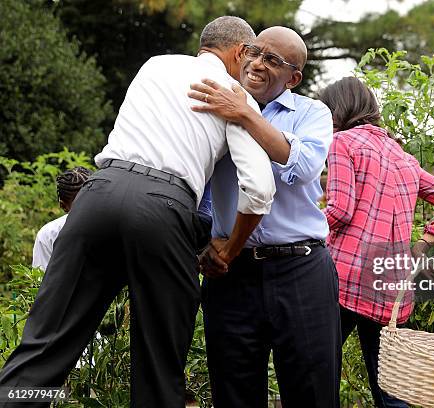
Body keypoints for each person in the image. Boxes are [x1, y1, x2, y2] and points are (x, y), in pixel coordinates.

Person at [0, 16, 275, 408]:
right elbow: (260, 188)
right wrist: (229, 250)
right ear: (238, 52)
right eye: (248, 59)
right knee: (158, 362)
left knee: (45, 345)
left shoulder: (154, 64)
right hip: (163, 209)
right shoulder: (234, 94)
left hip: (98, 194)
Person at [188, 26, 340, 408]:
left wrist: (244, 114)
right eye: (254, 52)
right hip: (230, 271)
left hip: (301, 269)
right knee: (233, 390)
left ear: (293, 78)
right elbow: (200, 181)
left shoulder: (311, 112)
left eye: (272, 60)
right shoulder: (216, 107)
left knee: (312, 390)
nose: (257, 63)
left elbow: (302, 166)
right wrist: (205, 243)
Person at [319, 76, 434, 408]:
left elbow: (340, 209)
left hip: (344, 277)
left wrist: (306, 230)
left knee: (316, 373)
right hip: (390, 283)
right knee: (389, 386)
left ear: (338, 111)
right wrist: (423, 243)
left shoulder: (342, 142)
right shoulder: (404, 158)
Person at [32, 167, 92, 271]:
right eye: (80, 206)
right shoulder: (49, 235)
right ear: (63, 206)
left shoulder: (115, 226)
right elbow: (39, 280)